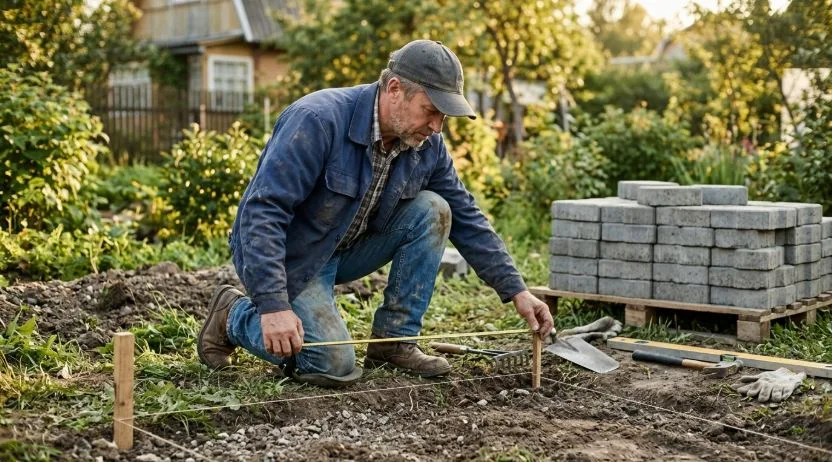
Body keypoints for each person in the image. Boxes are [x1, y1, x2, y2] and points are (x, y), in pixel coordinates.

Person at [197, 40, 554, 387]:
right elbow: (262, 212)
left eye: (443, 117)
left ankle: (392, 343)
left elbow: (466, 215)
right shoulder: (318, 120)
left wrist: (517, 290)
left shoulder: (426, 145)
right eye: (430, 111)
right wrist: (272, 305)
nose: (436, 127)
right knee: (331, 363)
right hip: (295, 256)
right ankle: (233, 315)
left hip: (348, 246)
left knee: (436, 209)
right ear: (395, 89)